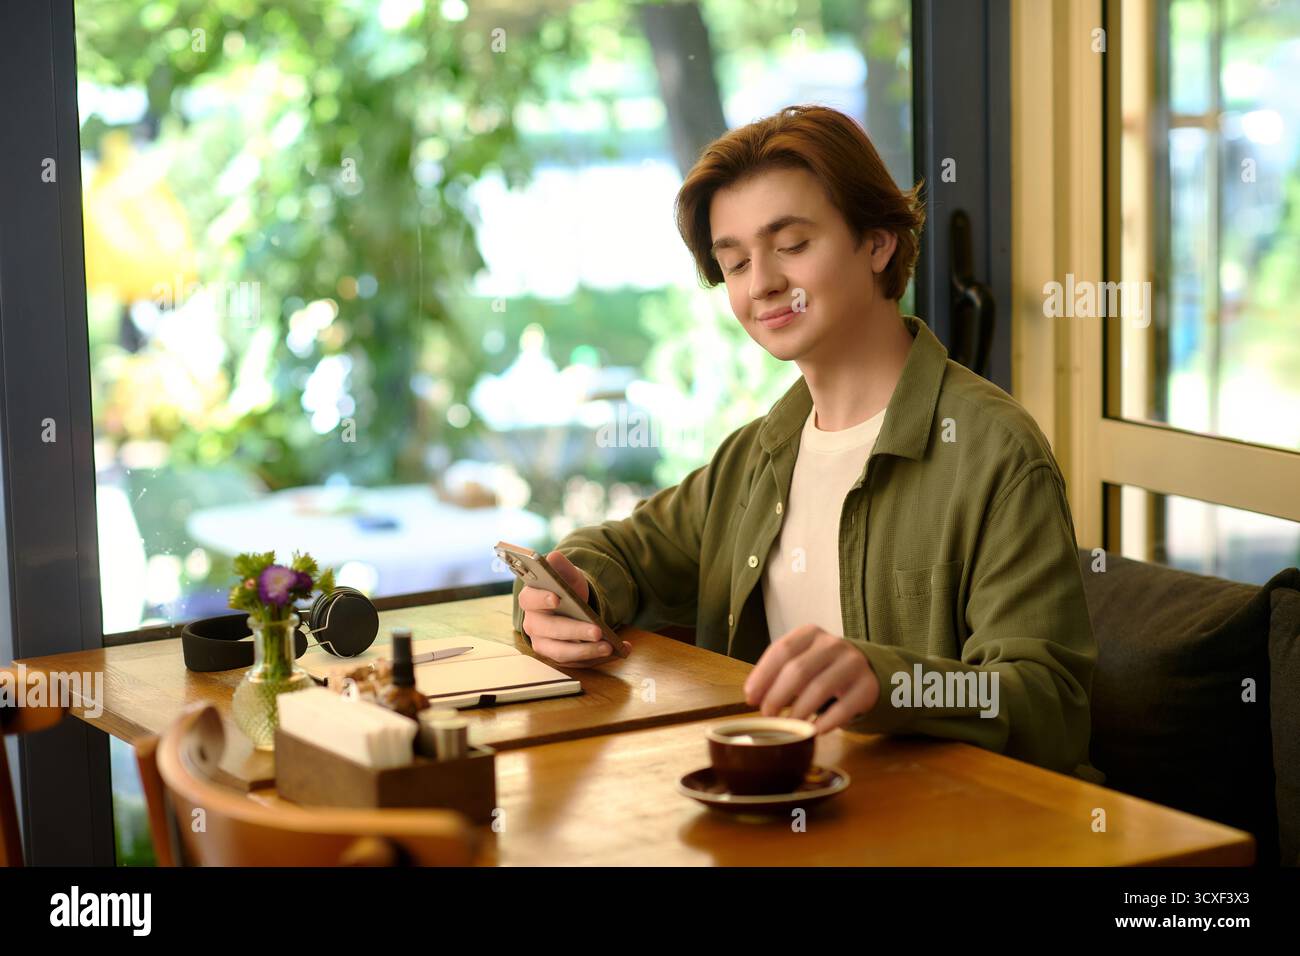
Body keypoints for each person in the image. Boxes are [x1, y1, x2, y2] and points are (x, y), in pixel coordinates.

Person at [513, 104, 1100, 781]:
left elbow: (1050, 703)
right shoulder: (757, 456)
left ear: (877, 241)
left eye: (791, 246)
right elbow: (615, 553)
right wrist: (569, 592)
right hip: (790, 819)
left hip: (954, 832)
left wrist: (890, 682)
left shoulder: (994, 453)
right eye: (734, 263)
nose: (760, 283)